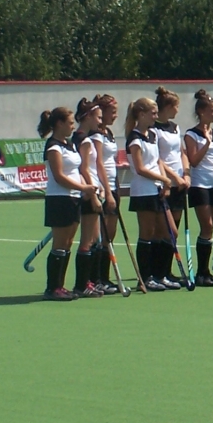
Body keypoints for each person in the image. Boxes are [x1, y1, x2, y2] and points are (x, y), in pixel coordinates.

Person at [39, 107, 94, 301]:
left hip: (73, 197)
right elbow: (59, 176)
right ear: (59, 124)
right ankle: (52, 288)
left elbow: (76, 170)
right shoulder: (53, 146)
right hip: (59, 198)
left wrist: (85, 189)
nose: (73, 126)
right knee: (60, 243)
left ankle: (60, 286)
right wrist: (83, 187)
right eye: (70, 123)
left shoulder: (69, 144)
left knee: (68, 242)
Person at [126, 97, 175, 291]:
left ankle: (161, 275)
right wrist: (163, 179)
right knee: (147, 234)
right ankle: (145, 278)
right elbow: (140, 168)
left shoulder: (153, 134)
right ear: (141, 114)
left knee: (169, 231)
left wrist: (165, 181)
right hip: (143, 191)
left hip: (156, 188)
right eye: (153, 113)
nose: (156, 116)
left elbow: (158, 161)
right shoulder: (135, 138)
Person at [184, 90, 213, 286]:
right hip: (200, 185)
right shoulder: (191, 134)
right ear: (201, 112)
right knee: (206, 226)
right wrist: (207, 142)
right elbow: (194, 161)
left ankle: (206, 271)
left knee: (211, 228)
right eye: (212, 111)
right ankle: (201, 272)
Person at [71, 98, 108, 296]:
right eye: (98, 117)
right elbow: (84, 169)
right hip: (87, 193)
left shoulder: (82, 138)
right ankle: (82, 285)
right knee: (87, 240)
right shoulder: (84, 140)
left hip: (91, 190)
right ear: (88, 117)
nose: (100, 122)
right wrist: (93, 193)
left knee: (93, 239)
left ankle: (89, 282)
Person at [155, 86, 190, 284]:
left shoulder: (175, 127)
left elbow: (181, 152)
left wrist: (186, 174)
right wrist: (174, 177)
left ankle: (167, 272)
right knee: (166, 231)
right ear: (168, 107)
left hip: (180, 183)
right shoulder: (154, 129)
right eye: (176, 106)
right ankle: (158, 272)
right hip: (166, 183)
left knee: (173, 228)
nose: (178, 110)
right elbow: (158, 159)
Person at [90, 94, 121, 285]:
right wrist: (106, 191)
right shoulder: (96, 135)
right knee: (100, 236)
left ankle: (105, 277)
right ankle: (97, 278)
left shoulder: (108, 132)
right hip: (102, 188)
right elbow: (98, 163)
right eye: (113, 112)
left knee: (109, 235)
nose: (115, 116)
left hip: (113, 186)